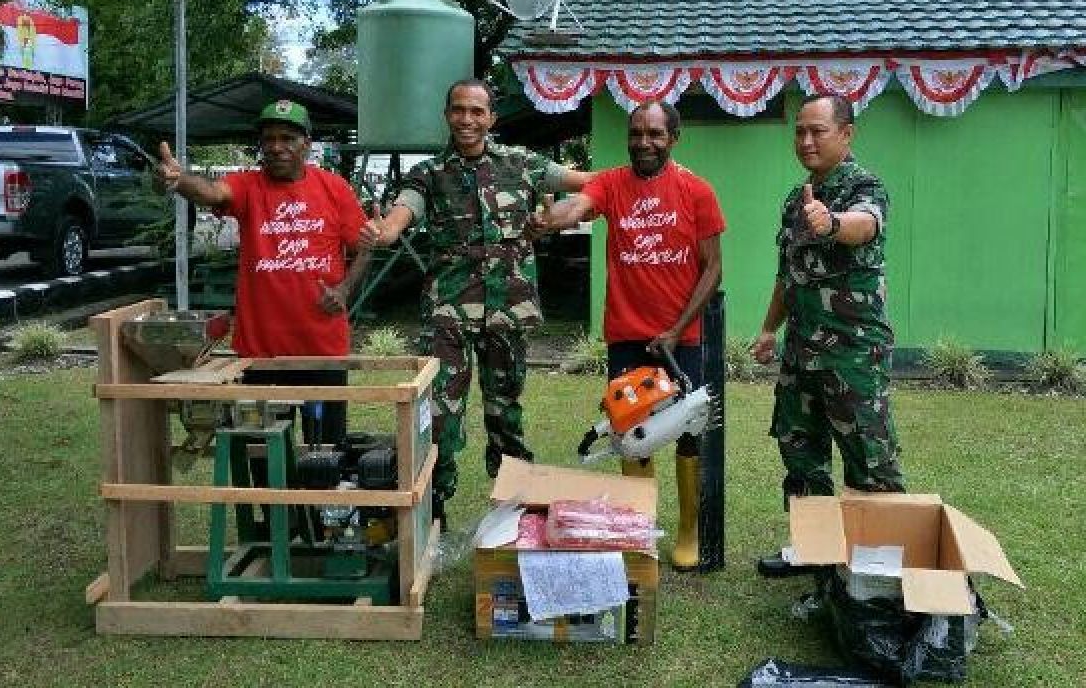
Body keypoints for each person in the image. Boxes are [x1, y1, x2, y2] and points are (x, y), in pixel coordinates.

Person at [359, 78, 591, 528]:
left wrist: (635, 182)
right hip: (448, 311)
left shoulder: (521, 163)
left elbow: (591, 182)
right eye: (458, 110)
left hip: (508, 308)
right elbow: (405, 210)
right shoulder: (428, 173)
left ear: (491, 118)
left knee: (505, 411)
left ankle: (514, 510)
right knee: (442, 416)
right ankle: (435, 508)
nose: (467, 119)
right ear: (447, 114)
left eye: (476, 111)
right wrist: (386, 231)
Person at [530, 100, 725, 571]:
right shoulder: (612, 183)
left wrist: (677, 331)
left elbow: (712, 268)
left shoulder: (697, 191)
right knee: (630, 430)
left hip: (684, 338)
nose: (644, 142)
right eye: (636, 133)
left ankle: (687, 530)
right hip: (626, 335)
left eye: (655, 134)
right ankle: (639, 530)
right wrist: (552, 219)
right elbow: (581, 204)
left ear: (673, 138)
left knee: (688, 434)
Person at [750, 93, 905, 578]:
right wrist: (769, 329)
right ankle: (813, 548)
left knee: (869, 458)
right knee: (801, 452)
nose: (807, 140)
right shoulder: (796, 199)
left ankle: (879, 566)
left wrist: (833, 222)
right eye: (800, 131)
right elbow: (787, 274)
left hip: (852, 355)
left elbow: (866, 224)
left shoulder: (865, 185)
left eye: (818, 130)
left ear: (847, 133)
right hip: (802, 352)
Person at [154, 99, 371, 445]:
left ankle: (319, 501)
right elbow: (212, 192)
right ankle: (274, 504)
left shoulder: (334, 188)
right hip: (261, 353)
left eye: (287, 138)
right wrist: (180, 181)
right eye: (268, 139)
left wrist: (345, 289)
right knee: (265, 454)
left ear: (307, 144)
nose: (276, 147)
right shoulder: (248, 186)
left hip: (323, 351)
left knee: (328, 454)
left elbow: (365, 246)